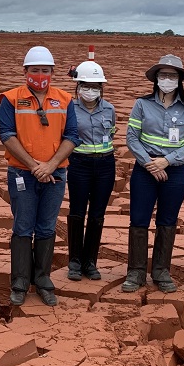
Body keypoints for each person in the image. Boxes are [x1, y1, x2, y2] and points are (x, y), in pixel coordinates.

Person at [0, 46, 79, 306]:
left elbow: (72, 136)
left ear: (52, 72)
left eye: (45, 70)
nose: (40, 74)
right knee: (23, 227)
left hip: (55, 175)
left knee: (46, 227)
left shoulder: (65, 99)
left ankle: (43, 280)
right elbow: (7, 135)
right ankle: (20, 282)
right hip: (23, 173)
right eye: (35, 70)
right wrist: (35, 166)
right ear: (25, 71)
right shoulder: (10, 99)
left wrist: (52, 165)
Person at [123, 54, 184, 293]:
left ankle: (160, 270)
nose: (167, 79)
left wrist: (166, 161)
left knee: (167, 220)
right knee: (139, 219)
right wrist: (149, 163)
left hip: (175, 172)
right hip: (145, 171)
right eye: (163, 75)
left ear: (180, 80)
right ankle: (136, 272)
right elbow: (131, 138)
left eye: (172, 75)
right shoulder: (142, 104)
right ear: (156, 79)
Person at [65, 60, 117, 281]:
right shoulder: (70, 108)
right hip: (79, 164)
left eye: (95, 86)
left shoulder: (109, 109)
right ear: (77, 86)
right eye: (86, 85)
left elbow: (112, 133)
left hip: (105, 165)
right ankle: (75, 261)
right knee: (77, 212)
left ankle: (90, 262)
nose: (90, 90)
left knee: (97, 214)